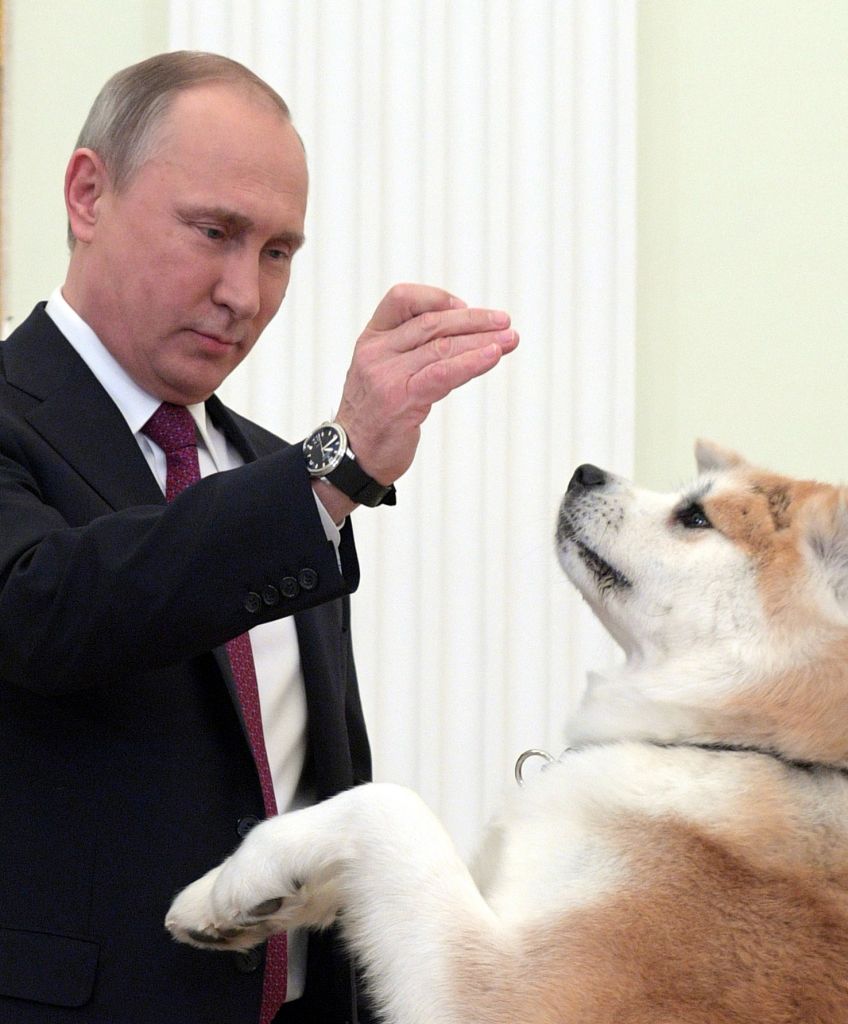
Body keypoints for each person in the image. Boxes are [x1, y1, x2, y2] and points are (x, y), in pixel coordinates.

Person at [0, 50, 517, 1024]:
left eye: (277, 252)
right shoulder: (300, 483)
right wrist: (331, 468)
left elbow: (317, 785)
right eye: (214, 232)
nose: (244, 292)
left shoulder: (277, 473)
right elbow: (48, 610)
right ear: (86, 193)